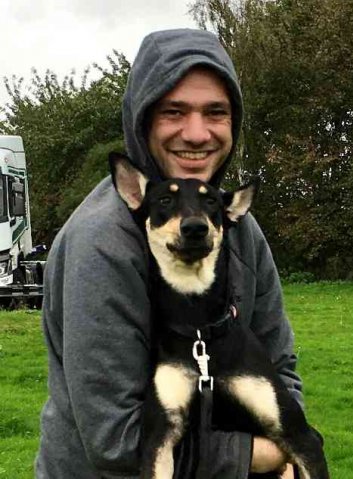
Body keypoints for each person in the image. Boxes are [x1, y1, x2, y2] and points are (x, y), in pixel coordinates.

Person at [36, 29, 303, 478]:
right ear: (141, 121)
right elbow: (117, 443)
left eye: (215, 112)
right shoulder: (103, 242)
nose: (197, 134)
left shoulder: (237, 227)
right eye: (173, 112)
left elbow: (281, 372)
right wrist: (269, 454)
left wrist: (285, 435)